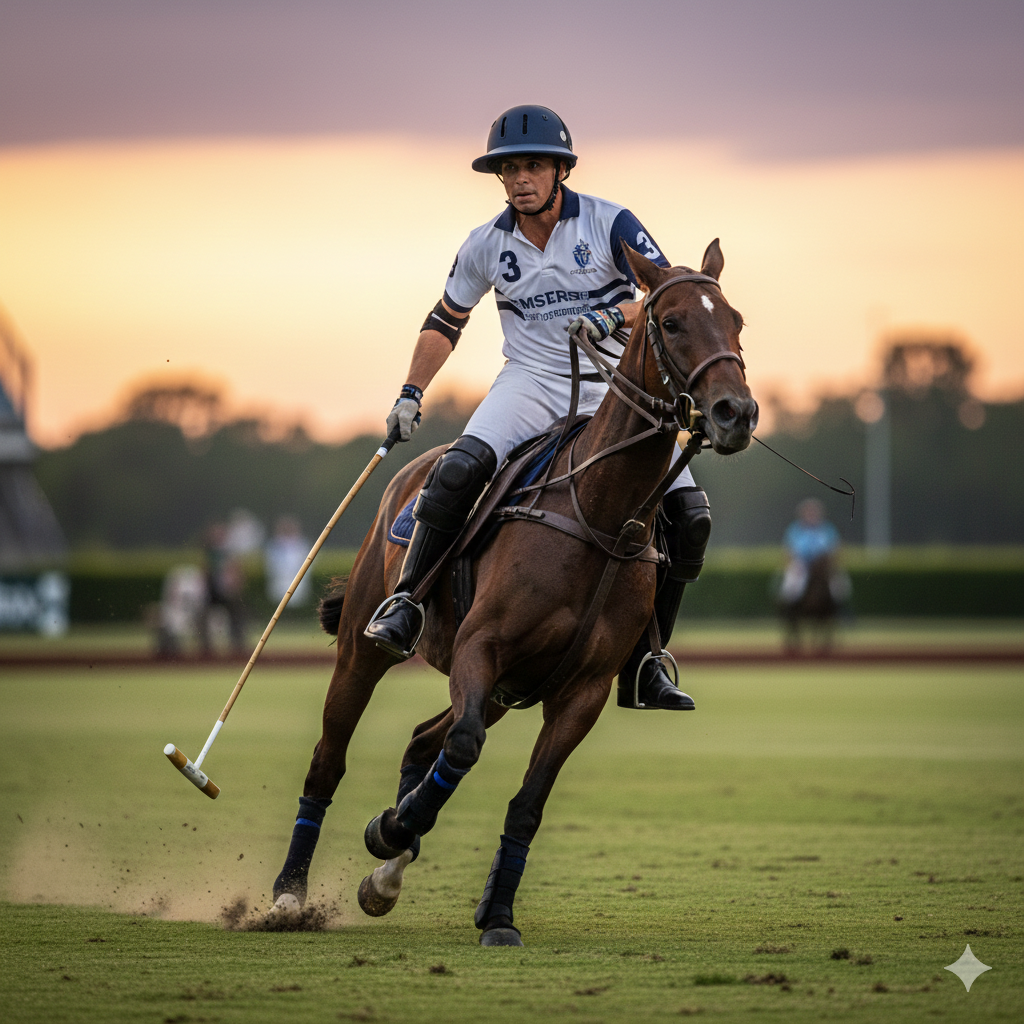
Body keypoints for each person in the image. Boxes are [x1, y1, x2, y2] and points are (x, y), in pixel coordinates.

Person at [364, 104, 713, 711]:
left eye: (533, 165)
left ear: (560, 170)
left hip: (614, 387)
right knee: (455, 471)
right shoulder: (485, 245)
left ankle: (647, 660)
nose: (521, 177)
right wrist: (410, 392)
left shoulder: (610, 222)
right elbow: (445, 320)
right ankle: (406, 604)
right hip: (529, 382)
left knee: (690, 513)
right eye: (510, 169)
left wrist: (611, 315)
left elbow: (669, 294)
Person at [265, 516, 312, 606]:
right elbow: (271, 563)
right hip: (280, 579)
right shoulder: (274, 544)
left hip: (297, 578)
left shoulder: (302, 543)